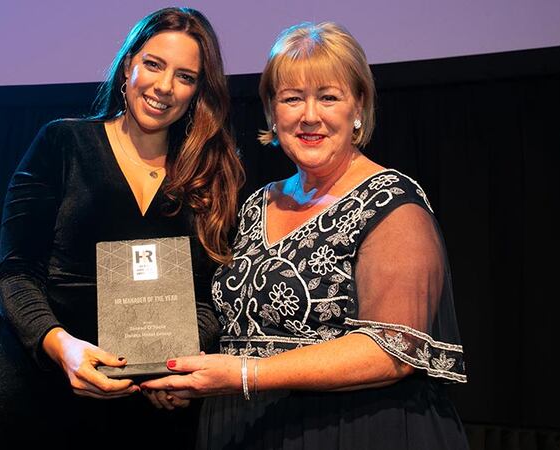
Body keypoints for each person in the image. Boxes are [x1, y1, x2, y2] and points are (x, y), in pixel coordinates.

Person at [142, 22, 469, 449]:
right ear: (271, 112)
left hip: (353, 432)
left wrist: (242, 375)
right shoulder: (256, 203)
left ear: (359, 107)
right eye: (292, 98)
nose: (309, 116)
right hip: (244, 430)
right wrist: (185, 374)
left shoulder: (392, 203)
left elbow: (391, 352)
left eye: (328, 97)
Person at [0, 7, 243, 449]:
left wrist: (174, 365)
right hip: (41, 400)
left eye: (185, 76)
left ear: (199, 91)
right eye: (153, 65)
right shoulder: (62, 143)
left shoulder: (211, 176)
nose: (163, 87)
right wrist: (62, 348)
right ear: (128, 65)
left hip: (151, 413)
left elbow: (211, 298)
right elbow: (16, 275)